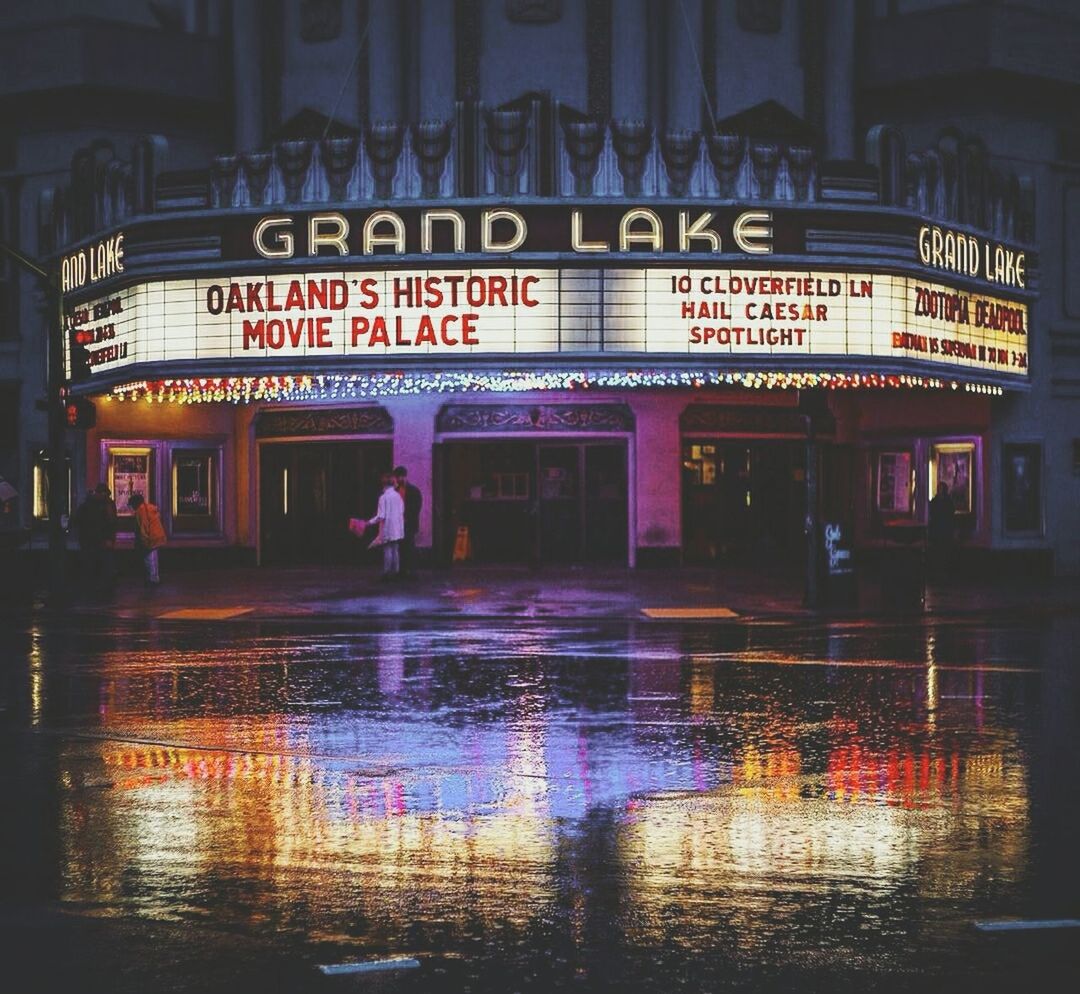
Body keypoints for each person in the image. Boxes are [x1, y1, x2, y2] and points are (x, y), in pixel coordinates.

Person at [72, 483, 118, 590]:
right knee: (101, 564)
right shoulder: (107, 504)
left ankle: (95, 586)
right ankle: (101, 587)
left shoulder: (91, 505)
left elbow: (78, 520)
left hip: (92, 540)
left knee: (94, 564)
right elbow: (111, 523)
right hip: (98, 540)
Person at [368, 472, 405, 579]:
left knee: (387, 549)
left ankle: (387, 572)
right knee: (395, 549)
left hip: (388, 527)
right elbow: (402, 511)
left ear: (383, 485)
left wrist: (369, 522)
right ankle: (396, 571)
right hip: (397, 527)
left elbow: (381, 516)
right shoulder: (398, 496)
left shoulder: (383, 498)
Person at [129, 493, 166, 585]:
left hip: (151, 537)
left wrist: (144, 541)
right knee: (154, 558)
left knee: (149, 559)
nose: (131, 508)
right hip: (157, 535)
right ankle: (154, 577)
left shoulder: (140, 511)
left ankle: (153, 579)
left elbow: (143, 527)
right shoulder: (150, 507)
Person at [394, 465, 422, 577]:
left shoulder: (414, 490)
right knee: (400, 548)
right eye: (397, 477)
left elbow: (417, 506)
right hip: (398, 523)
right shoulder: (395, 491)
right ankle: (402, 571)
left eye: (401, 477)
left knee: (409, 547)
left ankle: (411, 571)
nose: (399, 479)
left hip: (408, 523)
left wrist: (408, 517)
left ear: (405, 476)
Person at [927, 481, 956, 580]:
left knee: (943, 553)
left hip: (943, 531)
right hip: (938, 531)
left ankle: (942, 572)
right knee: (937, 552)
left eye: (941, 489)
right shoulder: (936, 502)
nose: (940, 491)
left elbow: (950, 515)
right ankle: (937, 572)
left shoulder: (946, 502)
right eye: (939, 489)